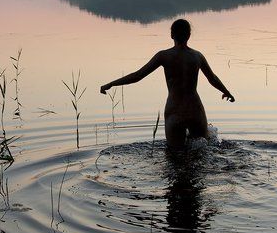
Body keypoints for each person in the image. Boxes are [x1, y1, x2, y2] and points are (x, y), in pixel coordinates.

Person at [100, 19, 235, 149]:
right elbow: (213, 79)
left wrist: (111, 84)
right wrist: (226, 92)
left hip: (174, 111)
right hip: (195, 110)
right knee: (201, 152)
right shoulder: (197, 56)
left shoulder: (164, 56)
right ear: (189, 35)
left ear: (171, 35)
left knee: (174, 155)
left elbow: (138, 76)